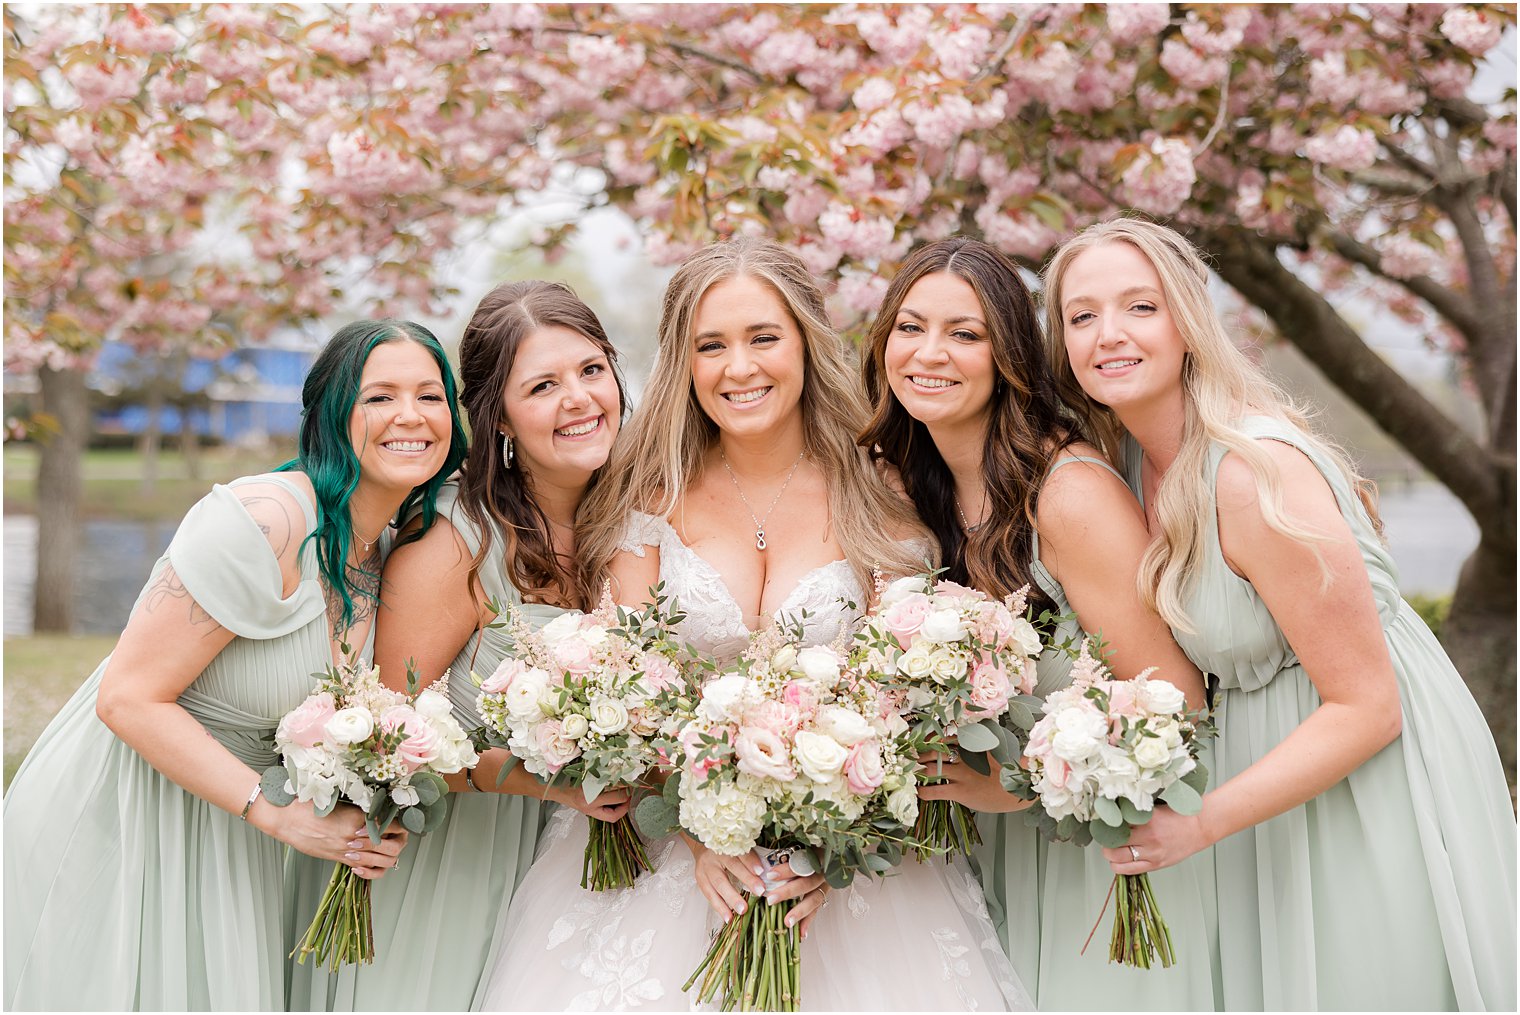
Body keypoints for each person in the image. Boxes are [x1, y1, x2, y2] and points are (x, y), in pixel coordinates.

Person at [479, 238, 1031, 1011]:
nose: (740, 368)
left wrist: (837, 837)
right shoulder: (647, 493)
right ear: (685, 361)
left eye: (763, 338)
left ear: (805, 340)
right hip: (673, 853)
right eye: (713, 345)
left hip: (853, 863)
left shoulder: (884, 486)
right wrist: (703, 834)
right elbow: (630, 692)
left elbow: (901, 697)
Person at [1044, 217, 1516, 1011]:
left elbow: (1369, 705)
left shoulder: (1251, 474)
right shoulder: (1127, 470)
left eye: (1139, 307)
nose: (1108, 335)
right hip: (1269, 776)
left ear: (1188, 324)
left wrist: (1200, 824)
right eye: (1082, 315)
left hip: (1365, 776)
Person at [4, 320, 463, 1010]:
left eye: (430, 396)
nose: (410, 416)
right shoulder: (264, 520)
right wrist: (276, 815)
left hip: (232, 837)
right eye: (379, 397)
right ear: (332, 416)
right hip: (130, 814)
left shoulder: (390, 553)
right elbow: (127, 697)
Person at [858, 235, 1219, 1009]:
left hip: (1096, 861)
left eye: (965, 333)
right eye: (910, 327)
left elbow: (1178, 702)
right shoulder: (907, 483)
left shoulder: (1067, 494)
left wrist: (1019, 786)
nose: (930, 352)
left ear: (1008, 355)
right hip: (988, 861)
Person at [286, 282, 627, 1012]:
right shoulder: (454, 542)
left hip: (573, 874)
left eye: (591, 370)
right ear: (498, 415)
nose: (579, 399)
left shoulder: (631, 523)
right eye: (542, 385)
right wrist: (546, 779)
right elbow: (391, 743)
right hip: (457, 869)